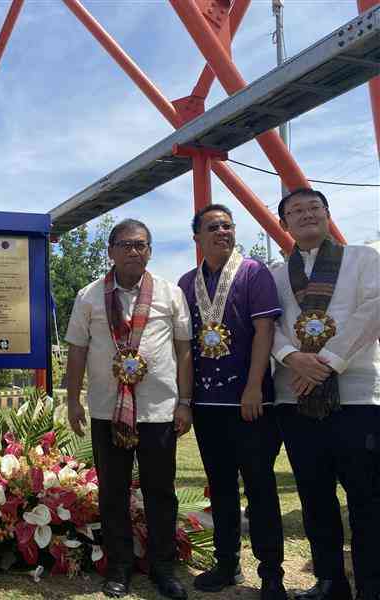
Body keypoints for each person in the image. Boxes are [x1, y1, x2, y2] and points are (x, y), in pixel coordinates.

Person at [65, 219, 193, 600]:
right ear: (111, 251)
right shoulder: (89, 296)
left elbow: (184, 349)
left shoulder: (170, 294)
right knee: (113, 492)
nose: (134, 251)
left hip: (158, 412)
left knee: (160, 491)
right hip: (108, 411)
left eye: (141, 244)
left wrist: (185, 401)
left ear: (150, 250)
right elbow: (77, 349)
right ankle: (119, 568)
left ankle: (163, 568)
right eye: (125, 244)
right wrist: (73, 399)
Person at [271, 188, 380, 600]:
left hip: (355, 399)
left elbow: (374, 308)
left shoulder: (364, 259)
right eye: (294, 211)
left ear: (328, 214)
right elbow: (271, 323)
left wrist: (328, 361)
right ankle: (330, 583)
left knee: (367, 497)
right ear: (284, 224)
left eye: (313, 207)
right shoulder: (276, 273)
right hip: (295, 398)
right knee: (314, 496)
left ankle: (372, 586)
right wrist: (290, 357)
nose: (305, 214)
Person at [178, 204, 286, 599]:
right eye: (213, 226)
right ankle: (226, 564)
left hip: (250, 402)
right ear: (197, 237)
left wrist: (255, 385)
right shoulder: (188, 282)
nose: (222, 231)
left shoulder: (255, 273)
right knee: (220, 488)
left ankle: (271, 572)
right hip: (209, 407)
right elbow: (185, 347)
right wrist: (186, 400)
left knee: (260, 486)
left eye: (227, 225)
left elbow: (264, 332)